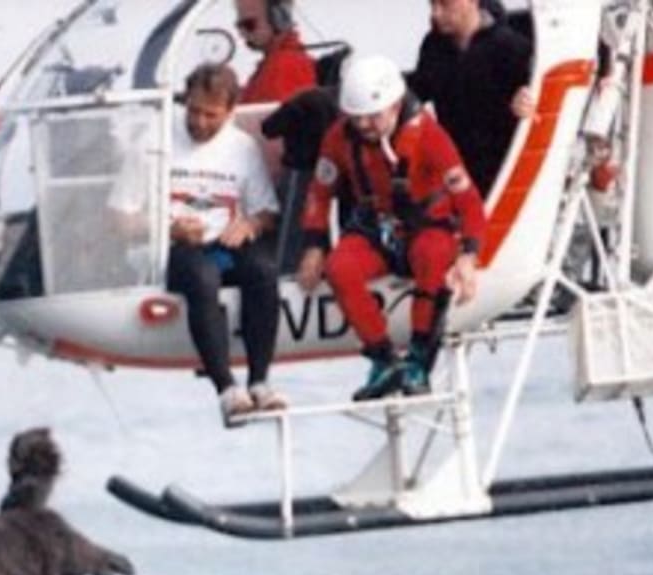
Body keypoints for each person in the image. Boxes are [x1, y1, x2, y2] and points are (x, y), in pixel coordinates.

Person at [296, 54, 487, 400]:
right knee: (341, 268)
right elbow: (319, 193)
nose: (366, 125)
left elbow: (469, 202)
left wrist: (469, 256)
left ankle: (419, 358)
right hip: (376, 228)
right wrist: (313, 244)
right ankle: (382, 358)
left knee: (433, 254)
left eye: (374, 116)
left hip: (426, 228)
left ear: (396, 105)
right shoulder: (338, 139)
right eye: (357, 118)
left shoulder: (429, 136)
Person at [112, 63, 286, 424]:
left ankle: (260, 382)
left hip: (222, 240)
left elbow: (267, 211)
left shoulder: (241, 146)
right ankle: (226, 389)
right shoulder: (154, 139)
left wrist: (250, 224)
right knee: (202, 277)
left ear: (230, 111)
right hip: (169, 248)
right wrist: (168, 229)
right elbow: (120, 219)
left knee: (264, 270)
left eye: (211, 116)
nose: (200, 123)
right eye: (193, 111)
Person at [406, 0, 535, 197]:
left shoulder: (511, 48)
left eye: (445, 5)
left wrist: (526, 101)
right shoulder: (433, 46)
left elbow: (534, 95)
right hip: (456, 168)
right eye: (432, 5)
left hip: (501, 168)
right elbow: (420, 88)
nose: (436, 13)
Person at [235, 0, 318, 105]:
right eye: (239, 26)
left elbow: (281, 118)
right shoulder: (272, 62)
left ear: (279, 18)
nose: (242, 34)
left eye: (249, 25)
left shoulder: (288, 65)